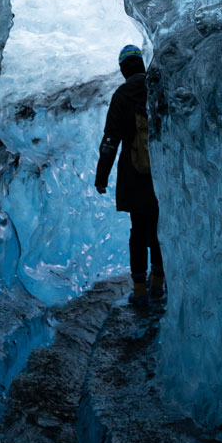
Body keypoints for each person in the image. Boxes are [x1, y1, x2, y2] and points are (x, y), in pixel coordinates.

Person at [95, 44, 165, 304]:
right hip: (160, 173)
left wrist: (102, 175)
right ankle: (158, 283)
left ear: (124, 69)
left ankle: (139, 290)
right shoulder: (157, 90)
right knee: (159, 227)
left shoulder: (122, 95)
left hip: (134, 175)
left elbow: (111, 139)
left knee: (138, 230)